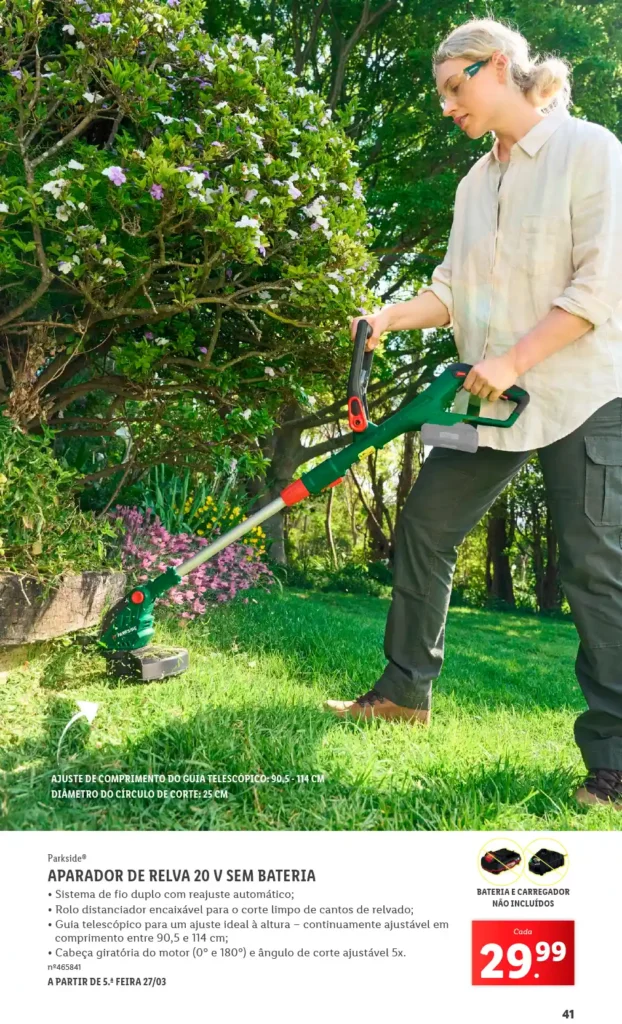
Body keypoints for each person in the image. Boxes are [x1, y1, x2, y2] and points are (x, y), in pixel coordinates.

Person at [323, 17, 622, 810]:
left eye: (455, 88)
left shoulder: (588, 150)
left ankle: (616, 762)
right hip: (490, 401)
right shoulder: (473, 184)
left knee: (593, 567)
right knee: (426, 526)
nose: (448, 106)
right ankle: (403, 693)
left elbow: (600, 287)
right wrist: (390, 317)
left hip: (583, 392)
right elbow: (454, 290)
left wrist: (514, 360)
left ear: (497, 67)